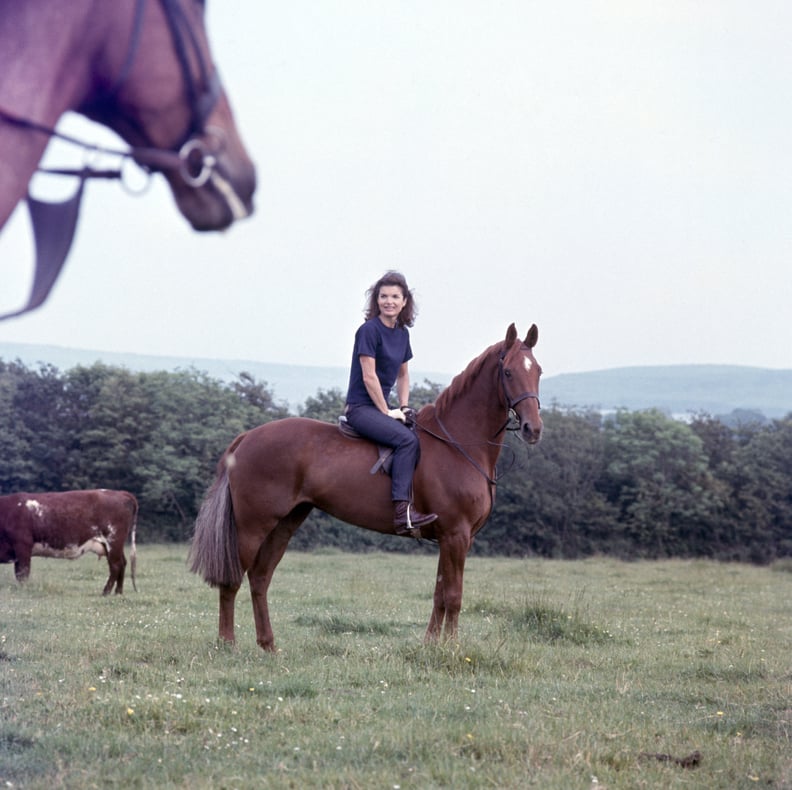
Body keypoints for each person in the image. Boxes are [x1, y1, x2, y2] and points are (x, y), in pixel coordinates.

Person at [344, 271, 438, 535]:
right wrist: (387, 411)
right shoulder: (368, 331)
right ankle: (401, 513)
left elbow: (403, 373)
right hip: (362, 409)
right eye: (384, 296)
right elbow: (369, 376)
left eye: (395, 296)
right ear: (377, 300)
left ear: (404, 301)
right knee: (407, 441)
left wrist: (405, 406)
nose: (389, 301)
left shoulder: (402, 334)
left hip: (383, 408)